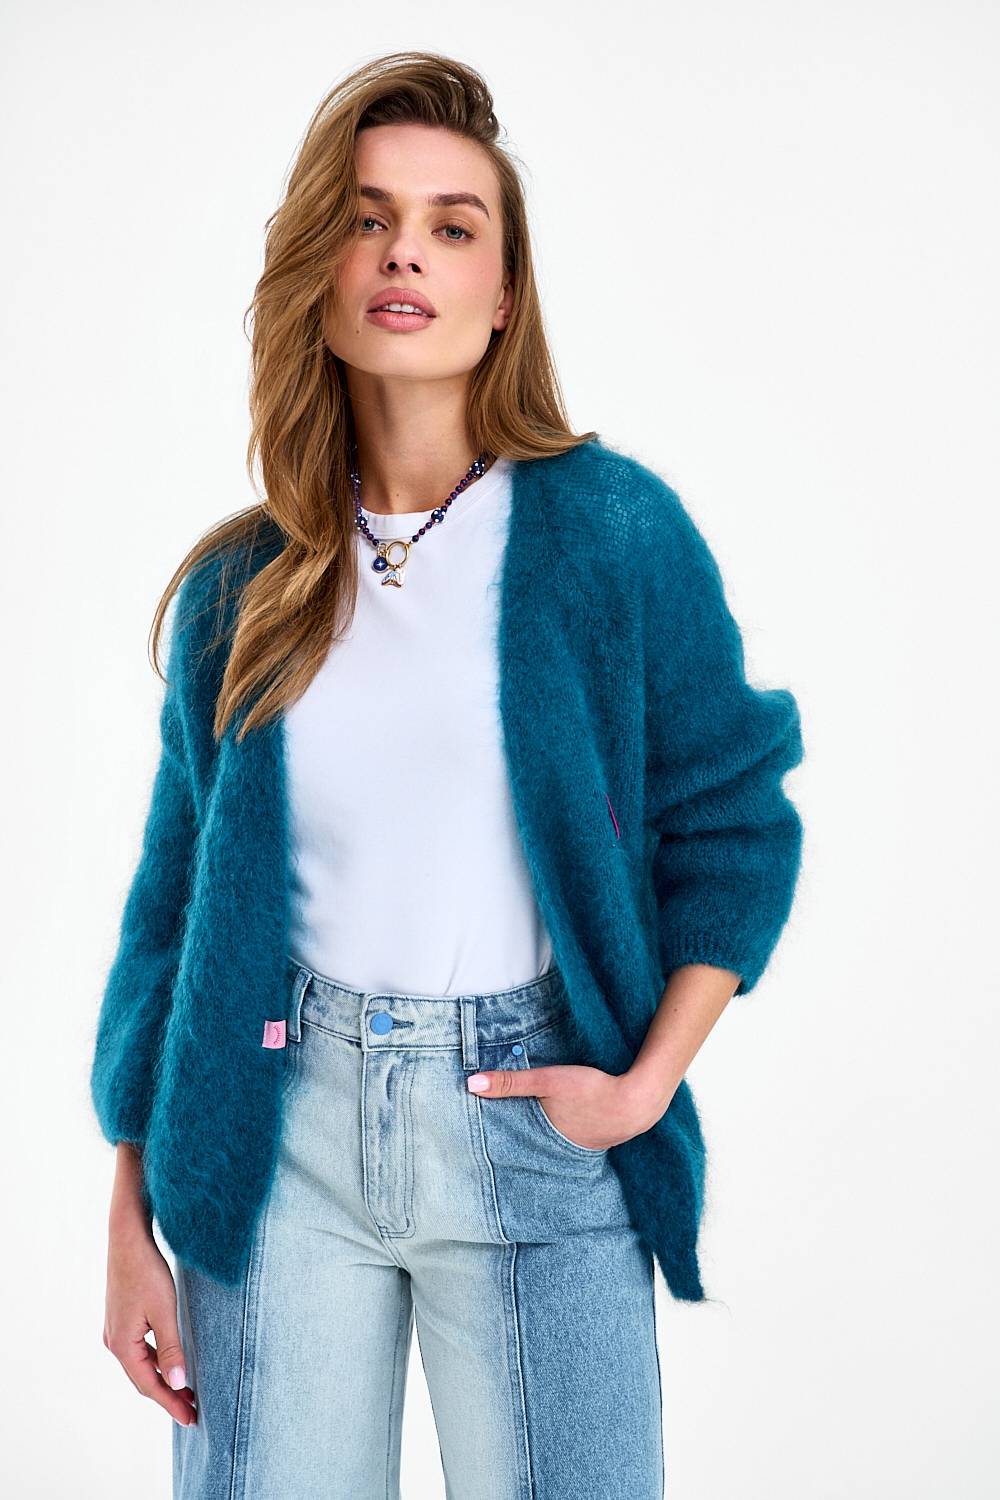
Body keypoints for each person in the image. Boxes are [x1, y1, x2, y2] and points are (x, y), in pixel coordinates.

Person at [91, 51, 805, 1500]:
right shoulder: (246, 588)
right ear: (319, 271)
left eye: (451, 224)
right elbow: (171, 919)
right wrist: (128, 1216)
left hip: (537, 1124)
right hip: (271, 1139)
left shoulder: (612, 536)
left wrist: (644, 1086)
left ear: (502, 296)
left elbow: (733, 827)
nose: (404, 250)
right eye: (366, 218)